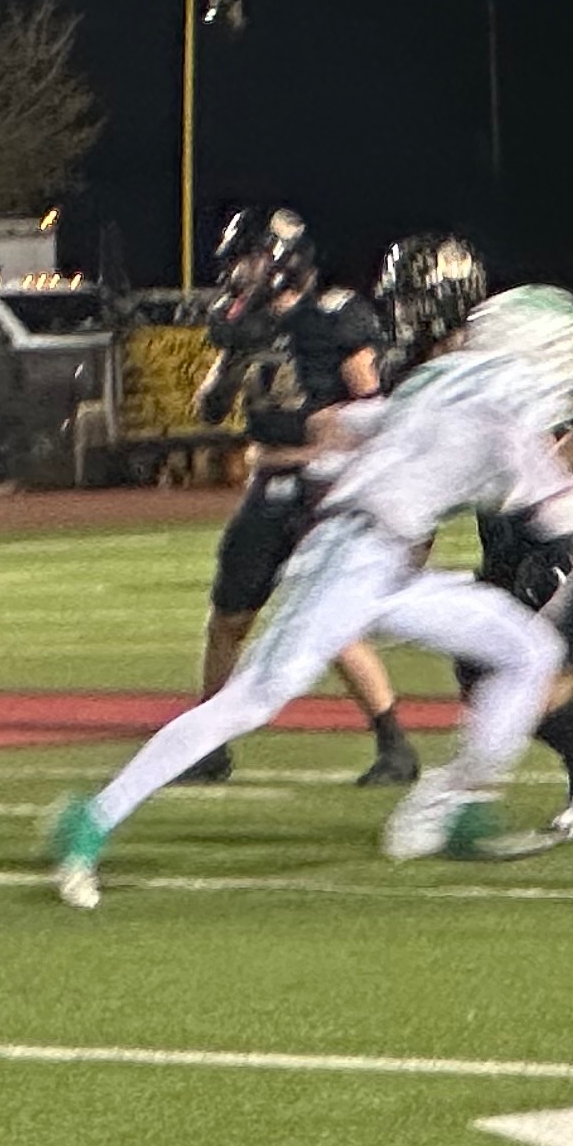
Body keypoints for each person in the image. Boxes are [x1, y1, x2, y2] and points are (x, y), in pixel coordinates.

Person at [48, 286, 573, 908]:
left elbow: (347, 424)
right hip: (352, 558)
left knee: (528, 651)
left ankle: (458, 806)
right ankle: (91, 818)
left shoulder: (444, 379)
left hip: (383, 562)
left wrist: (310, 436)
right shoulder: (503, 398)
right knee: (254, 698)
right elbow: (553, 509)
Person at [182, 209, 422, 788]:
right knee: (228, 617)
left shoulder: (337, 315)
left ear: (281, 258)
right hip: (266, 485)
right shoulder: (247, 322)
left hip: (323, 487)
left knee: (329, 617)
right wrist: (231, 360)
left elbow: (375, 407)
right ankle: (206, 743)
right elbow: (209, 408)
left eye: (250, 259)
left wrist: (330, 436)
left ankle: (394, 742)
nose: (241, 273)